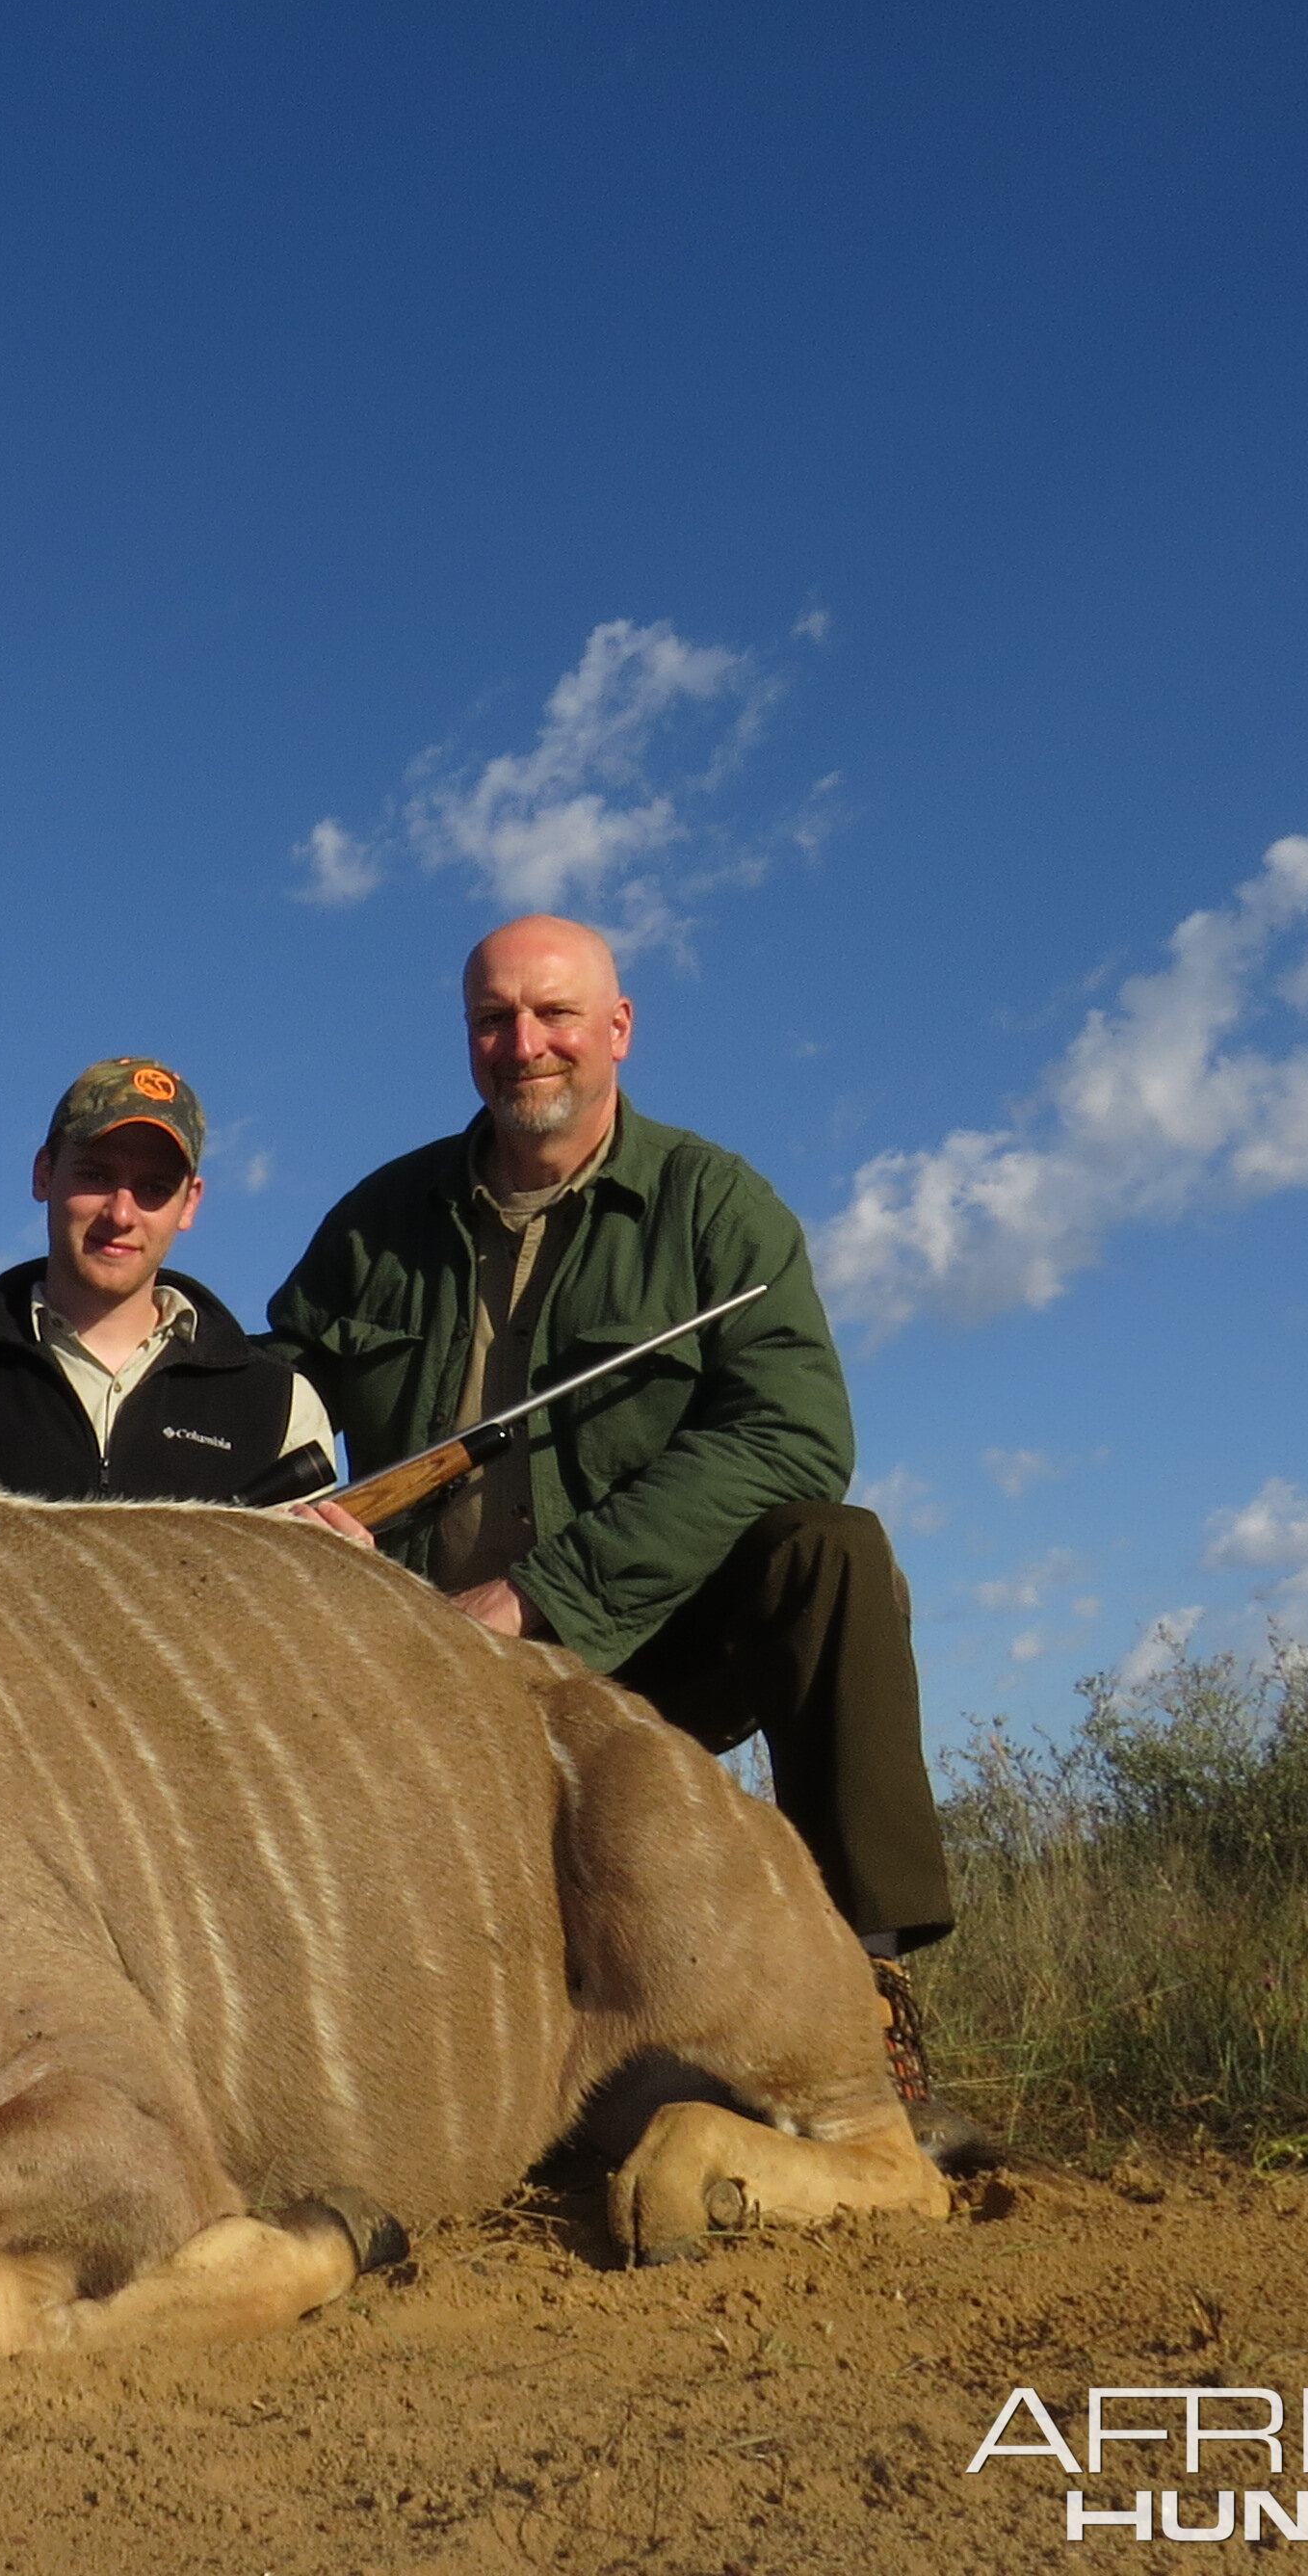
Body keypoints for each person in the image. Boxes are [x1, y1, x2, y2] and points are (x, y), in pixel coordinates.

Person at [263, 913, 981, 2155]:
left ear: (617, 1029)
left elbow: (795, 1433)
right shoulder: (376, 1220)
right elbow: (272, 1390)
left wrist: (544, 1598)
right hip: (420, 1674)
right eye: (493, 1019)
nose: (523, 1044)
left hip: (639, 1651)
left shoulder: (717, 1208)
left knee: (832, 1552)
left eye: (552, 1015)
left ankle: (869, 2003)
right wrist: (299, 1510)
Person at [0, 1058, 354, 1516]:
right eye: (96, 1176)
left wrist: (345, 1576)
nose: (121, 1215)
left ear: (190, 1204)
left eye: (154, 1188)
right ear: (44, 1173)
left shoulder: (279, 1405)